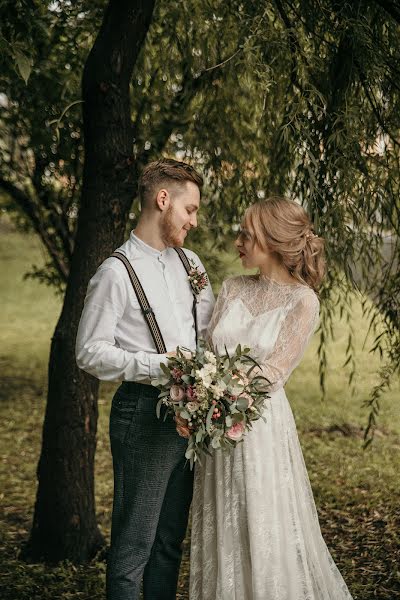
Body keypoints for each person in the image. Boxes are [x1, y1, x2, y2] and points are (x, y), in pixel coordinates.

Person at [190, 197, 353, 600]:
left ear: (275, 240)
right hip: (215, 422)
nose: (237, 242)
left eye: (247, 234)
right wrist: (204, 393)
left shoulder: (303, 301)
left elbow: (274, 371)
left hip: (259, 424)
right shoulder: (232, 287)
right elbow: (207, 352)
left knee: (261, 519)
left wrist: (223, 392)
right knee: (224, 522)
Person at [75, 158, 215, 600]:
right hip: (142, 414)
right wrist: (157, 365)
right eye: (189, 209)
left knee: (169, 543)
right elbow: (88, 352)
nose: (194, 220)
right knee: (134, 546)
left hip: (189, 417)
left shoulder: (191, 263)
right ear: (162, 200)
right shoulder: (115, 272)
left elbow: (208, 330)